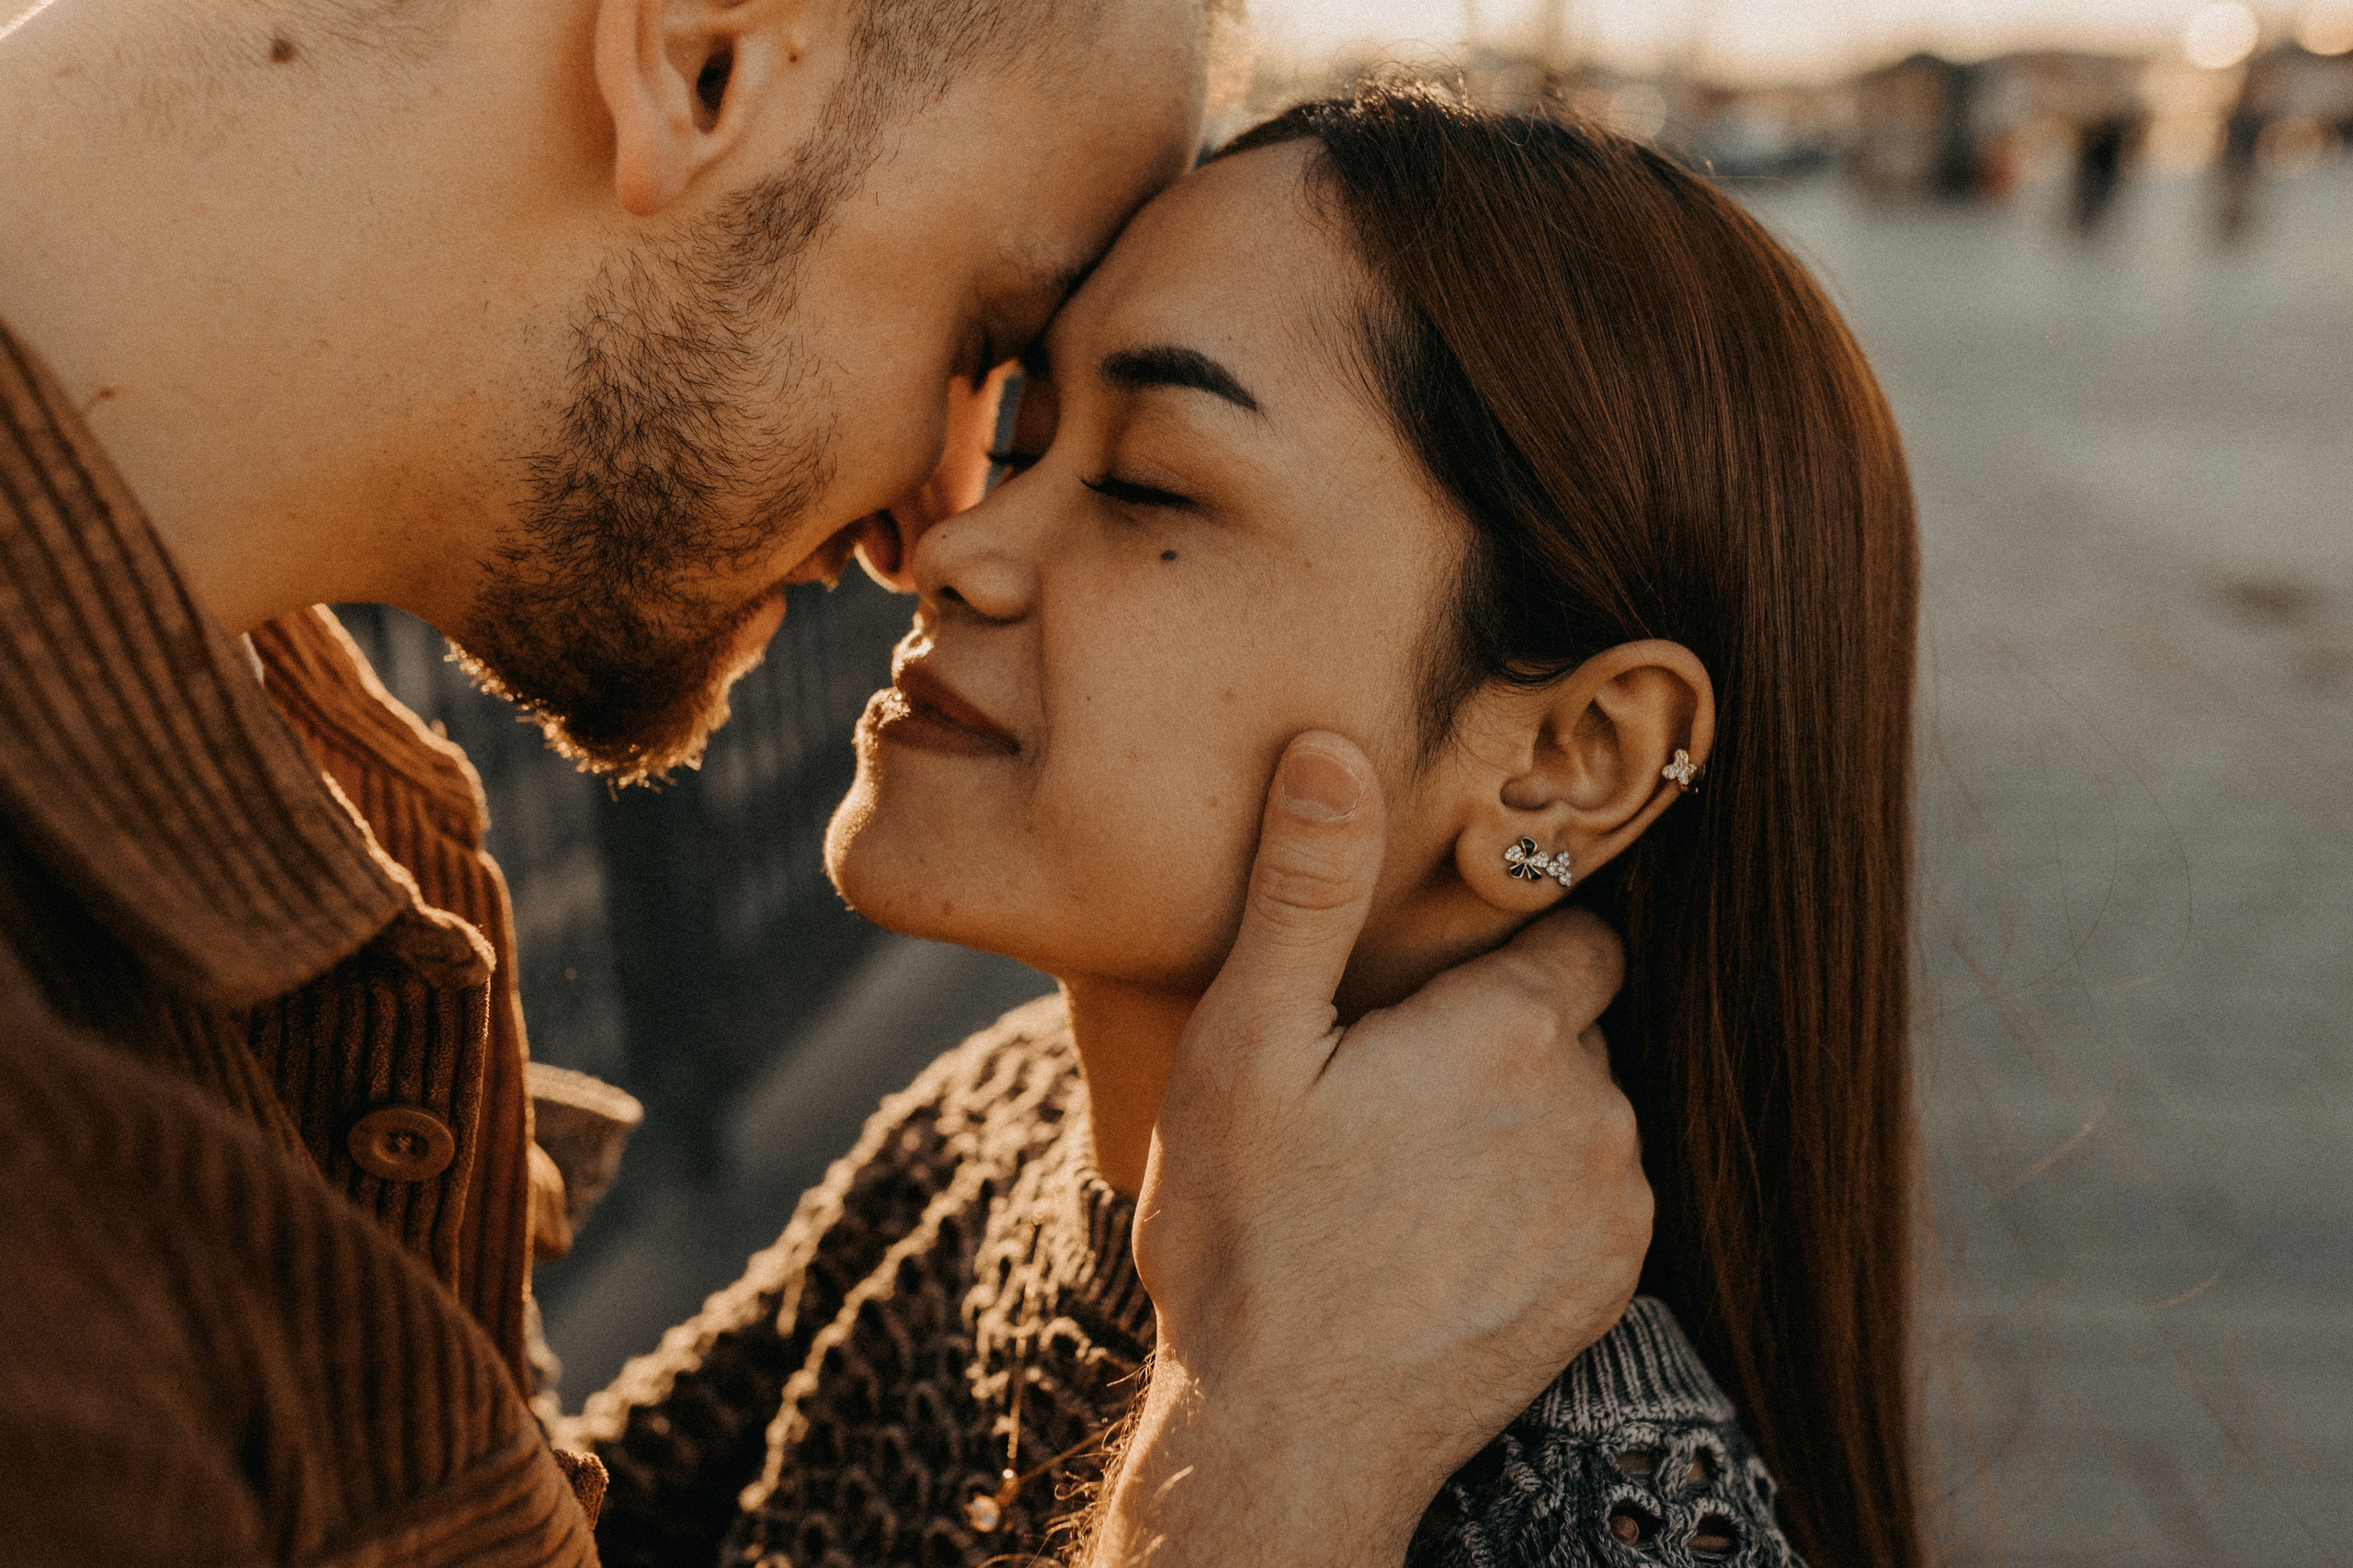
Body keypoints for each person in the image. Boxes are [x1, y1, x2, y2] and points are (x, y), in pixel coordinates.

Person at [0, 0, 1650, 1561]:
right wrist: (1277, 1467)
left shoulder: (297, 813)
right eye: (985, 344)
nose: (936, 529)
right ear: (704, 62)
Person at [577, 87, 1924, 1567]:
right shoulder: (1006, 1123)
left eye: (1149, 479)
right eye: (1021, 437)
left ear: (1567, 763)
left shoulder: (1614, 1516)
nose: (957, 546)